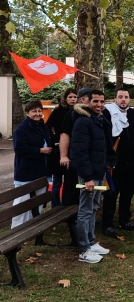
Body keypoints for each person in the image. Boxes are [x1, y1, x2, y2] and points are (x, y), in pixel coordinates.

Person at [70, 90, 117, 264]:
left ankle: (91, 242)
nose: (99, 104)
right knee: (85, 210)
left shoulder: (99, 120)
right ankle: (83, 249)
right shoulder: (83, 121)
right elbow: (79, 153)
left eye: (102, 101)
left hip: (99, 171)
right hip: (88, 175)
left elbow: (102, 148)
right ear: (87, 102)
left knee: (94, 207)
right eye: (95, 101)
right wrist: (87, 177)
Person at [101, 88, 134, 238]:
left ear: (129, 99)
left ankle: (125, 220)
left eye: (126, 97)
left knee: (128, 193)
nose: (123, 99)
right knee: (111, 193)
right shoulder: (108, 113)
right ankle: (107, 224)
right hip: (115, 162)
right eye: (120, 97)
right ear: (115, 99)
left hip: (132, 161)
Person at [11, 100, 53, 229]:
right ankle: (17, 228)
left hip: (41, 171)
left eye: (39, 111)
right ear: (27, 112)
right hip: (26, 171)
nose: (37, 113)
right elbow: (20, 149)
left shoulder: (42, 126)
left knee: (38, 201)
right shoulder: (22, 129)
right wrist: (40, 150)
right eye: (34, 111)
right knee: (22, 202)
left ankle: (32, 226)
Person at [59, 87, 93, 208]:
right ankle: (71, 216)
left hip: (89, 158)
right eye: (92, 99)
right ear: (83, 99)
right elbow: (64, 134)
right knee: (73, 188)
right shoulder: (72, 113)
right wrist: (63, 156)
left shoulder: (93, 113)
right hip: (75, 158)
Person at [46, 88, 77, 207]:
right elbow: (48, 126)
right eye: (70, 97)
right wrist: (55, 139)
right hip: (59, 151)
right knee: (57, 181)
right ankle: (55, 206)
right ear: (65, 98)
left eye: (75, 97)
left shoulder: (78, 111)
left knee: (69, 182)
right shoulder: (58, 111)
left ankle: (66, 205)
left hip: (72, 150)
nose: (73, 99)